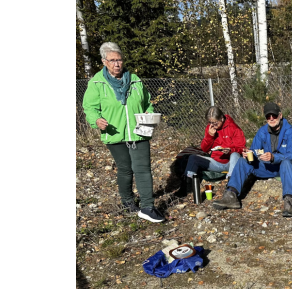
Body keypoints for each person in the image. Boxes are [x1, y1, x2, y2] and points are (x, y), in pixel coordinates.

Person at [82, 42, 164, 223]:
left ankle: (148, 207)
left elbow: (146, 102)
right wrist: (96, 120)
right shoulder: (96, 83)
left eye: (119, 60)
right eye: (112, 60)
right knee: (126, 170)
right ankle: (127, 202)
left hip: (139, 131)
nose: (117, 64)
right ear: (104, 62)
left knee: (142, 169)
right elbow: (90, 107)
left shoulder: (134, 79)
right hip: (114, 132)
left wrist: (149, 111)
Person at [212, 102, 292, 217]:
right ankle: (231, 195)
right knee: (242, 161)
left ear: (280, 115)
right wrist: (249, 154)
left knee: (287, 163)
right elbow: (254, 150)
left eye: (274, 115)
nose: (271, 118)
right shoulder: (262, 131)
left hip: (285, 167)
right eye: (268, 116)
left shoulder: (290, 131)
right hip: (268, 167)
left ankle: (289, 202)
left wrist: (274, 157)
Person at [179, 106, 246, 194]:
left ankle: (231, 185)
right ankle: (186, 186)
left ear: (221, 118)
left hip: (230, 162)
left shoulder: (233, 128)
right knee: (193, 158)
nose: (212, 125)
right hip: (216, 161)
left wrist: (230, 150)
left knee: (235, 155)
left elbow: (241, 147)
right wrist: (209, 136)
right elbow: (204, 149)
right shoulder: (210, 128)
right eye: (210, 122)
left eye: (215, 122)